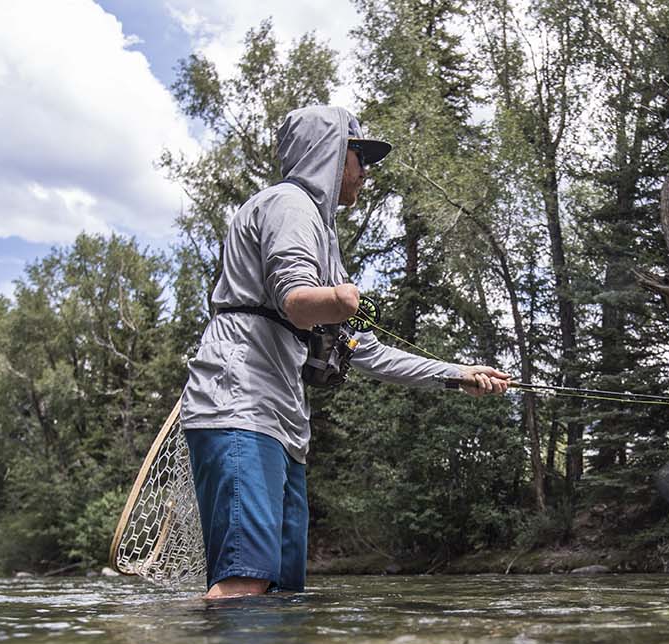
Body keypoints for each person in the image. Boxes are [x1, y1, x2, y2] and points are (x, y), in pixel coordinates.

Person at [180, 105, 510, 599]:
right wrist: (336, 299)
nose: (365, 172)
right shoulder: (289, 205)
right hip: (240, 407)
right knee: (244, 583)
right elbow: (295, 300)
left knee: (282, 592)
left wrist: (456, 374)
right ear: (329, 154)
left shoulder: (321, 232)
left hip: (280, 425)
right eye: (360, 157)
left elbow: (367, 352)